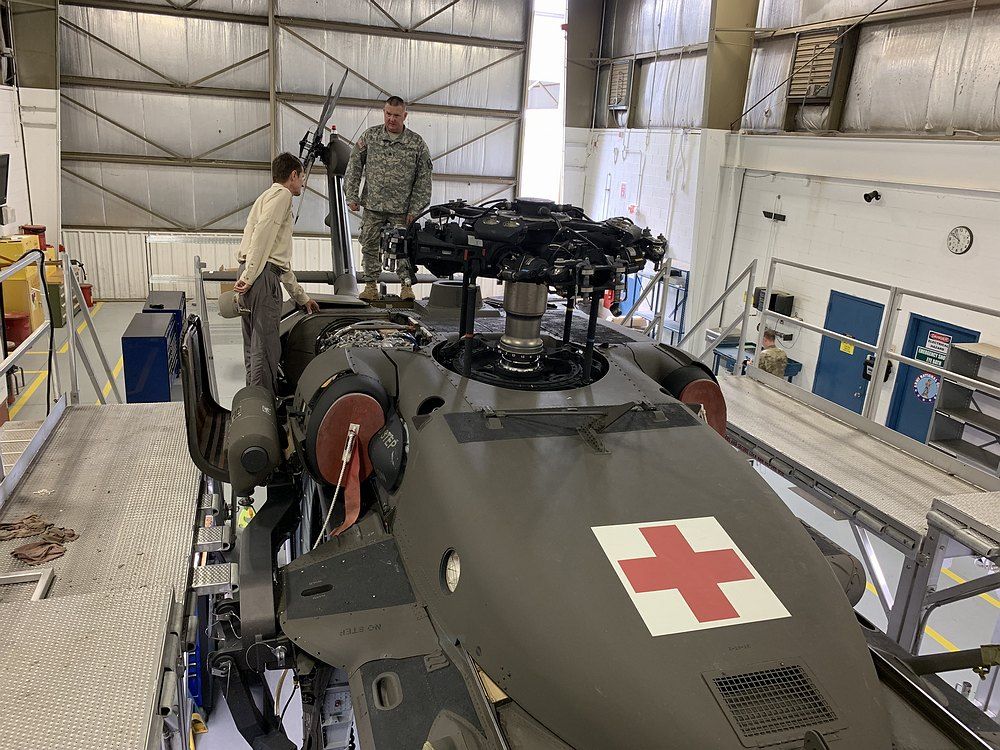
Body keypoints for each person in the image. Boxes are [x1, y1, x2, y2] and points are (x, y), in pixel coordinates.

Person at [234, 152, 320, 393]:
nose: (302, 182)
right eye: (302, 177)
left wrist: (301, 296)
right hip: (260, 276)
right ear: (293, 175)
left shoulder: (265, 197)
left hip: (254, 271)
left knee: (252, 348)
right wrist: (250, 277)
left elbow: (278, 259)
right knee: (265, 351)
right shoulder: (282, 195)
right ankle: (263, 405)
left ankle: (253, 400)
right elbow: (263, 235)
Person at [345, 95, 433, 302]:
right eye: (388, 114)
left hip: (402, 210)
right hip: (373, 205)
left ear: (405, 116)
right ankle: (370, 287)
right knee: (369, 244)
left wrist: (415, 209)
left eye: (396, 115)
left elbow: (424, 179)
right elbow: (354, 165)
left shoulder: (416, 143)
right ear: (384, 112)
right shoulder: (370, 136)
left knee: (404, 247)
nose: (391, 119)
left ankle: (406, 286)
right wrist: (351, 195)